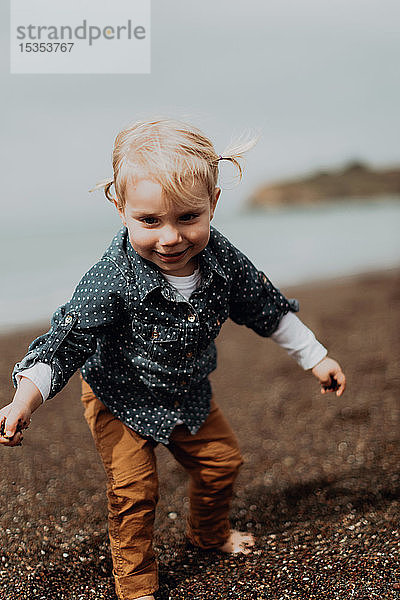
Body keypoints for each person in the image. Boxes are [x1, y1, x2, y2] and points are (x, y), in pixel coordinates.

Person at [0, 119, 346, 600]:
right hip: (118, 397)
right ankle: (137, 586)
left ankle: (207, 533)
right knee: (134, 493)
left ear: (214, 204)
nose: (170, 238)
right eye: (149, 221)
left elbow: (265, 307)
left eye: (187, 218)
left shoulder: (224, 262)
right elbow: (65, 344)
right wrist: (23, 400)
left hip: (186, 393)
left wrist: (316, 357)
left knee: (222, 463)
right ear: (120, 210)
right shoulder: (110, 281)